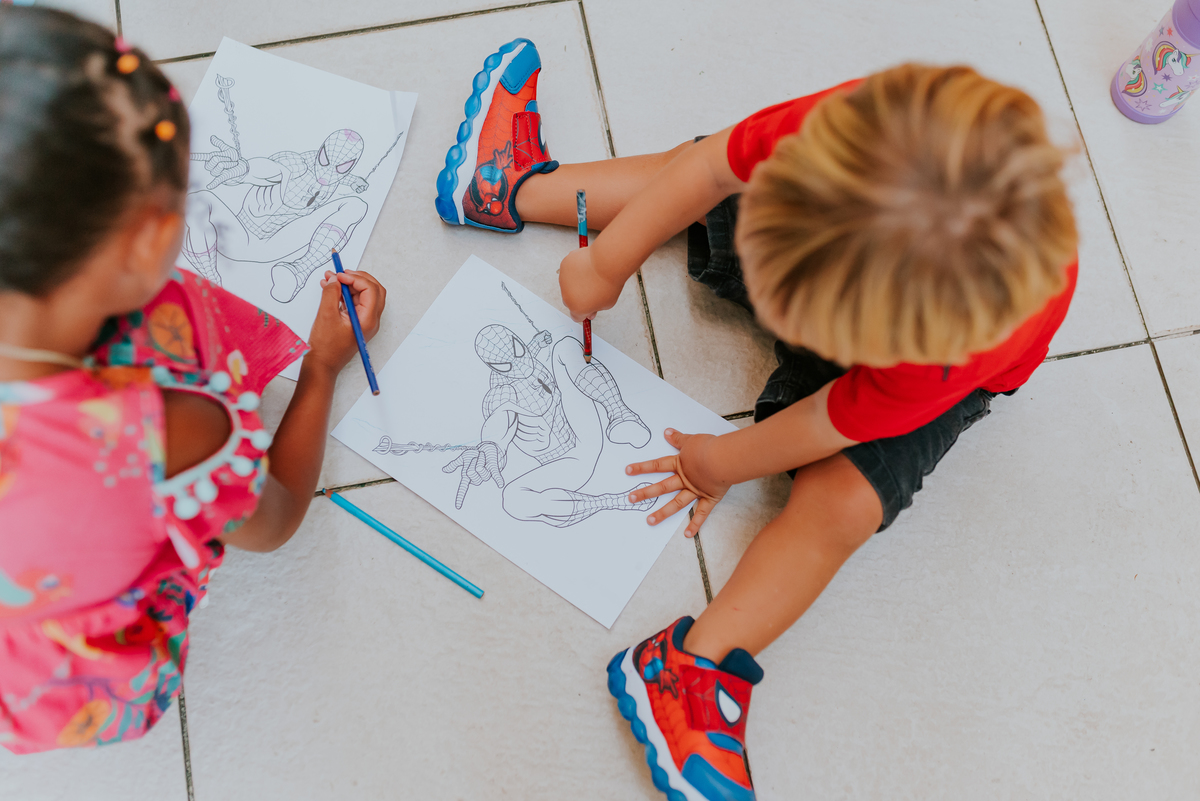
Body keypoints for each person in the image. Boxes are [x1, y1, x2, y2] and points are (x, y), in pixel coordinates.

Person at [439, 40, 1078, 801]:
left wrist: (716, 462)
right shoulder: (849, 131)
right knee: (692, 170)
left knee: (843, 501)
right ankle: (507, 189)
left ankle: (691, 668)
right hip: (876, 300)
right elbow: (712, 168)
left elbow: (829, 421)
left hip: (906, 387)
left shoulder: (950, 349)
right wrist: (607, 262)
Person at [0, 7, 385, 753]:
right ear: (145, 238)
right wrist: (322, 367)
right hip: (81, 662)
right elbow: (271, 524)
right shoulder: (167, 424)